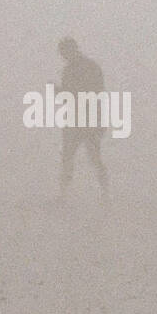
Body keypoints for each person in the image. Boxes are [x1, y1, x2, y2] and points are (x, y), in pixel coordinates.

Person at [57, 37, 109, 199]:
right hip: (79, 120)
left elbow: (93, 93)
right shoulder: (86, 67)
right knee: (73, 157)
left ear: (70, 50)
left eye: (64, 52)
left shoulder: (85, 68)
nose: (63, 56)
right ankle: (64, 194)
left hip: (85, 120)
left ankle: (104, 192)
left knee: (88, 157)